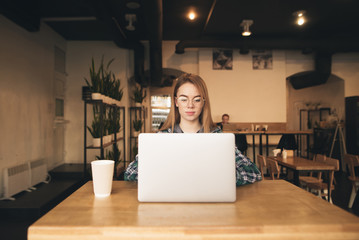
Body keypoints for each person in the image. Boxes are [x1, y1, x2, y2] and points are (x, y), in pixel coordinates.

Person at [125, 73, 262, 186]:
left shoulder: (216, 136)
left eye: (196, 100)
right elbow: (130, 173)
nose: (190, 105)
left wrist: (219, 176)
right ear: (176, 102)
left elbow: (253, 173)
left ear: (203, 102)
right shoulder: (162, 137)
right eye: (184, 99)